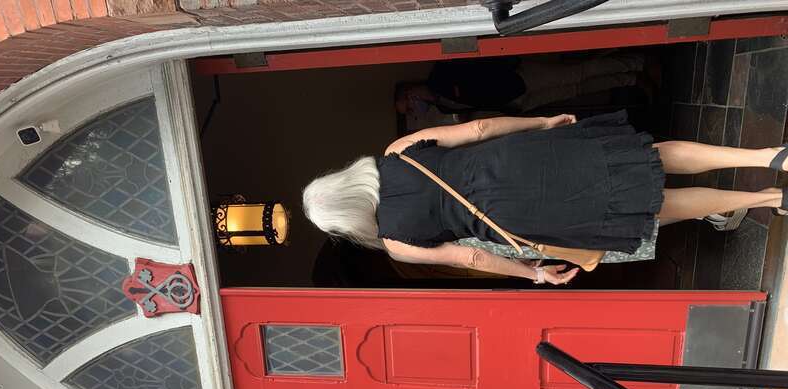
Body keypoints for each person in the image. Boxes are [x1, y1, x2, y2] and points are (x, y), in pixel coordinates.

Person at [302, 112, 787, 285]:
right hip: (522, 160)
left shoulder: (395, 243)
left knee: (656, 205)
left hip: (527, 214)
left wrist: (532, 271)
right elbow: (478, 129)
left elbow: (472, 256)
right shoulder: (395, 153)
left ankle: (766, 198)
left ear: (346, 222)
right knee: (649, 155)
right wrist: (542, 124)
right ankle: (768, 155)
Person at [394, 53, 647, 117]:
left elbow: (479, 68)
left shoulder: (440, 74)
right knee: (575, 90)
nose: (415, 110)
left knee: (576, 74)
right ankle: (631, 79)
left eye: (408, 105)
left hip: (517, 77)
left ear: (409, 92)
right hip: (516, 102)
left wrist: (511, 66)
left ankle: (636, 63)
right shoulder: (443, 108)